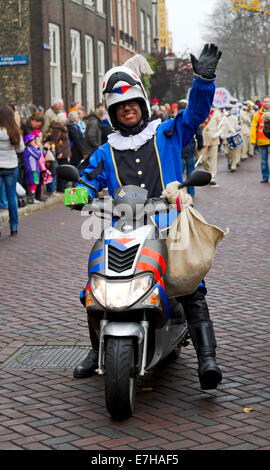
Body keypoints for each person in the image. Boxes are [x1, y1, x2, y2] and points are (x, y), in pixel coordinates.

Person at [73, 44, 223, 391]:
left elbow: (196, 114)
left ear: (142, 105)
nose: (127, 111)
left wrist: (204, 80)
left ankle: (207, 359)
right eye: (120, 107)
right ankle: (98, 349)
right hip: (122, 226)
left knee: (191, 287)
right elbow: (86, 180)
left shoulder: (167, 132)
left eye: (132, 104)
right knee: (96, 283)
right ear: (113, 112)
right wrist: (77, 195)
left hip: (169, 226)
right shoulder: (104, 150)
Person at [0, 105, 24, 235]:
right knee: (11, 197)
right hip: (11, 166)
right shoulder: (15, 131)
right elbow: (21, 149)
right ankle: (13, 226)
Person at [201, 105, 223, 186]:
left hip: (213, 139)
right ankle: (209, 173)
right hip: (203, 139)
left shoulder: (216, 113)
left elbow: (221, 125)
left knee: (213, 159)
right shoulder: (201, 112)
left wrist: (218, 133)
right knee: (203, 159)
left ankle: (212, 177)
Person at [50, 112, 71, 192]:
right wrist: (59, 152)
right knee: (62, 170)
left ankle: (63, 186)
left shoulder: (63, 127)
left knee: (65, 170)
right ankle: (61, 187)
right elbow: (55, 141)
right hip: (62, 152)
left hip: (65, 152)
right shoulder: (56, 129)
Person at [250, 95, 270, 183]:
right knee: (263, 161)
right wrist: (253, 140)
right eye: (265, 101)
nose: (267, 103)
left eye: (268, 101)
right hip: (262, 140)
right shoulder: (257, 114)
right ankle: (265, 177)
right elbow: (253, 127)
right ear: (263, 102)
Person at [23, 134, 41, 204]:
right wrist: (38, 148)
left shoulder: (29, 148)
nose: (35, 142)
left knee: (31, 183)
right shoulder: (30, 148)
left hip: (31, 168)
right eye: (33, 141)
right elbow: (38, 155)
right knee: (34, 183)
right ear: (30, 142)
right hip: (33, 169)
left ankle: (31, 198)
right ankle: (32, 198)